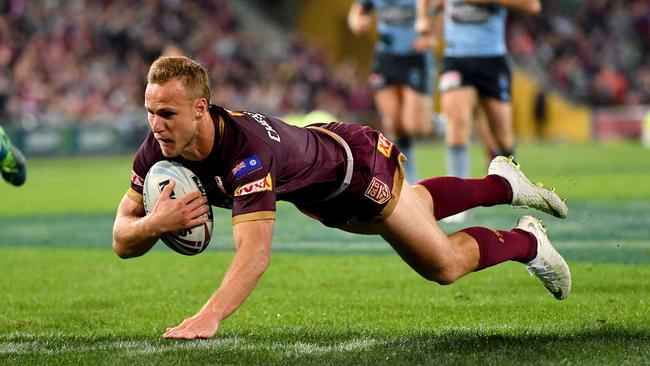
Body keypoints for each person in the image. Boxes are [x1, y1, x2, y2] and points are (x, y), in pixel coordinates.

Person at [112, 56, 570, 340]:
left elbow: (255, 255)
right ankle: (503, 183)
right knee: (418, 210)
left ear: (199, 109)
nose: (155, 124)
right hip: (318, 191)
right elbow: (121, 238)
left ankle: (527, 242)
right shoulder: (158, 147)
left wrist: (209, 317)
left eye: (166, 113)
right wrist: (154, 224)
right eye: (150, 112)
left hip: (356, 169)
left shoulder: (246, 156)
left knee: (443, 264)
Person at [434, 0, 542, 221]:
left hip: (492, 60)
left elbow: (533, 6)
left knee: (503, 135)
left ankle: (510, 182)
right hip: (456, 58)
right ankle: (457, 201)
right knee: (457, 122)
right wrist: (424, 19)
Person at [347, 0, 438, 183]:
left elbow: (442, 10)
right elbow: (356, 11)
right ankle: (410, 179)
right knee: (394, 125)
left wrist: (431, 34)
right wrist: (357, 21)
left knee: (414, 125)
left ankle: (443, 124)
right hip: (386, 58)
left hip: (415, 57)